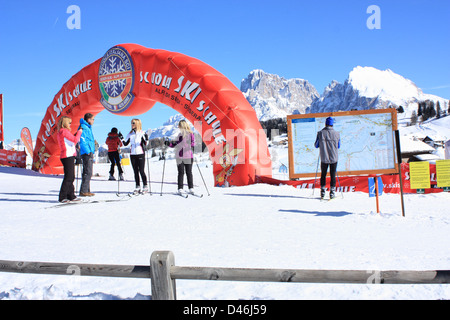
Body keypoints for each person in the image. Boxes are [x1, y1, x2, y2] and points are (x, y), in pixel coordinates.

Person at [56, 116, 83, 203]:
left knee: (71, 176)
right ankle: (62, 196)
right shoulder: (64, 131)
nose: (71, 124)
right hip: (67, 155)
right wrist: (79, 132)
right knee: (69, 177)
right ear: (65, 123)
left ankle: (71, 195)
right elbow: (74, 140)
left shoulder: (62, 132)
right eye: (69, 123)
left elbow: (71, 141)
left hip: (68, 155)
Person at [165, 120, 195, 195]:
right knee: (181, 173)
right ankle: (180, 188)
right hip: (180, 157)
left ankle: (191, 188)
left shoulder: (190, 134)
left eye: (179, 125)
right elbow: (174, 144)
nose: (178, 127)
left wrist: (191, 147)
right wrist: (168, 144)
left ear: (182, 126)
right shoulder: (179, 135)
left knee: (189, 172)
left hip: (188, 156)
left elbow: (193, 143)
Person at [314, 117, 340, 199]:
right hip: (334, 158)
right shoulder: (337, 134)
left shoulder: (320, 133)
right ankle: (332, 192)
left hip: (324, 157)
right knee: (333, 175)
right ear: (332, 124)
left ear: (325, 124)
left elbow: (316, 145)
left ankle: (322, 191)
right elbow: (338, 146)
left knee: (323, 174)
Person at [122, 119, 149, 194]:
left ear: (137, 124)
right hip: (132, 154)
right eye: (131, 123)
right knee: (135, 172)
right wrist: (121, 138)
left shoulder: (141, 133)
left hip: (140, 153)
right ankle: (137, 186)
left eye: (133, 123)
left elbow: (146, 143)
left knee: (141, 171)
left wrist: (146, 138)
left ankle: (145, 186)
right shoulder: (130, 134)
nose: (132, 124)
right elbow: (125, 144)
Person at [79, 113, 96, 197]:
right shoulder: (84, 128)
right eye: (93, 119)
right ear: (88, 119)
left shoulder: (88, 127)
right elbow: (82, 140)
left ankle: (86, 190)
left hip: (89, 151)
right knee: (87, 172)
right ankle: (83, 191)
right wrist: (88, 151)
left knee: (88, 172)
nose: (93, 121)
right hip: (86, 153)